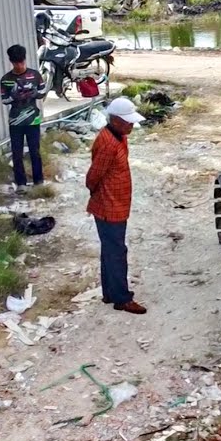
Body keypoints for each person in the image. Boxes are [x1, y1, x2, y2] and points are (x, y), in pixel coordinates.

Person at [86, 98, 146, 315]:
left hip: (117, 204)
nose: (131, 125)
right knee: (117, 251)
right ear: (116, 120)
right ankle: (121, 298)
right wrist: (99, 195)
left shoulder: (119, 136)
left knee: (110, 249)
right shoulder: (108, 143)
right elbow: (93, 176)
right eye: (128, 122)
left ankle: (110, 292)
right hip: (109, 206)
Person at [0, 45, 46, 193]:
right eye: (16, 63)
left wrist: (33, 94)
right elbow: (4, 100)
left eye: (21, 62)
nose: (19, 66)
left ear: (25, 60)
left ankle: (39, 181)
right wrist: (14, 96)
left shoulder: (35, 75)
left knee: (35, 151)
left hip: (33, 119)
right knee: (17, 152)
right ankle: (21, 183)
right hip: (15, 121)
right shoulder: (6, 79)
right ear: (11, 62)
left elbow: (43, 91)